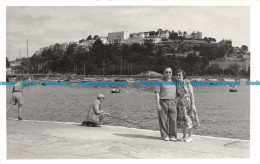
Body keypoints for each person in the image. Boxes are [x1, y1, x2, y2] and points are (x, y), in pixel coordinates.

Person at [175, 69, 200, 142]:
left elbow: (192, 94)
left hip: (188, 102)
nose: (178, 76)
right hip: (180, 104)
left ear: (183, 75)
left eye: (180, 75)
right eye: (177, 75)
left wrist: (193, 104)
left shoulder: (187, 82)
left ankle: (190, 136)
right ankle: (184, 135)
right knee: (183, 120)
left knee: (189, 119)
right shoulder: (177, 84)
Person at [155, 67, 178, 141]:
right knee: (163, 120)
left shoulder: (175, 81)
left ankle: (173, 136)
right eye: (166, 72)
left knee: (173, 120)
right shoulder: (160, 81)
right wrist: (158, 104)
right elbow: (157, 93)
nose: (168, 73)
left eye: (170, 72)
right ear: (164, 73)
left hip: (173, 102)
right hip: (163, 102)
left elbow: (180, 89)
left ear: (172, 73)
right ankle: (164, 135)